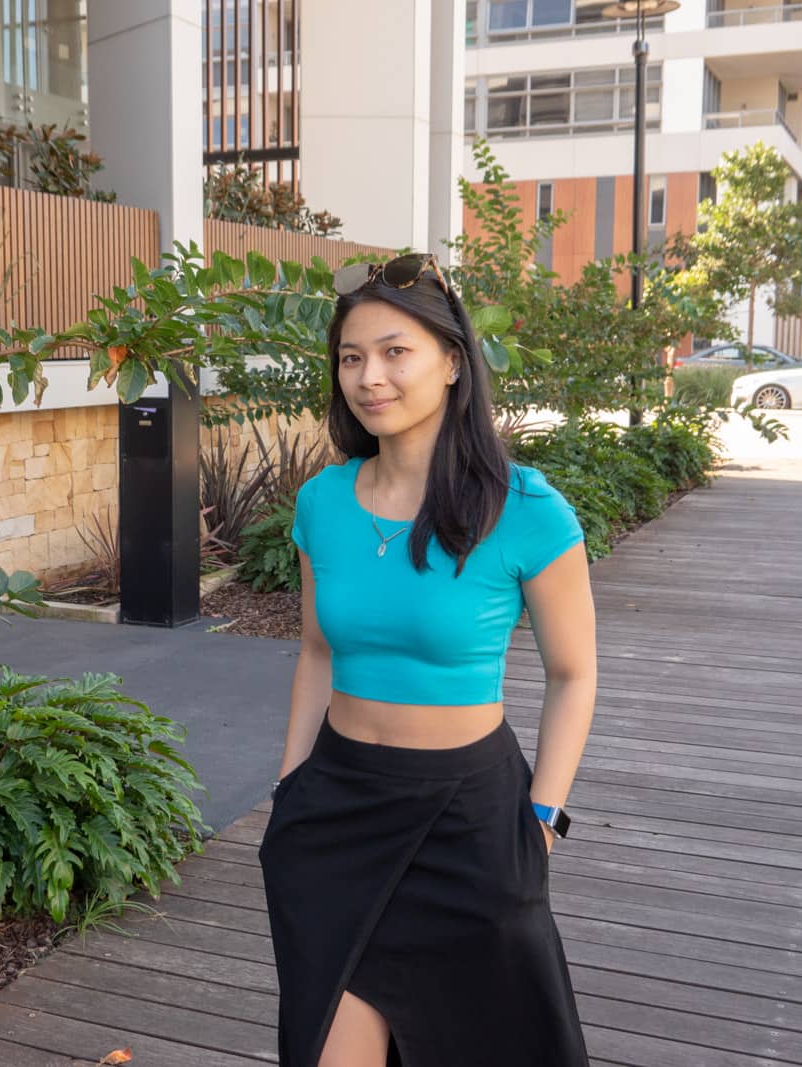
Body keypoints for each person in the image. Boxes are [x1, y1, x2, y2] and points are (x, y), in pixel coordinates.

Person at [258, 253, 597, 1066]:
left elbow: (573, 673)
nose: (369, 376)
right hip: (335, 814)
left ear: (452, 362)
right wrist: (288, 787)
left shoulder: (527, 509)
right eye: (350, 357)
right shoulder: (322, 504)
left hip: (470, 823)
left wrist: (542, 819)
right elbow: (314, 652)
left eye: (394, 351)